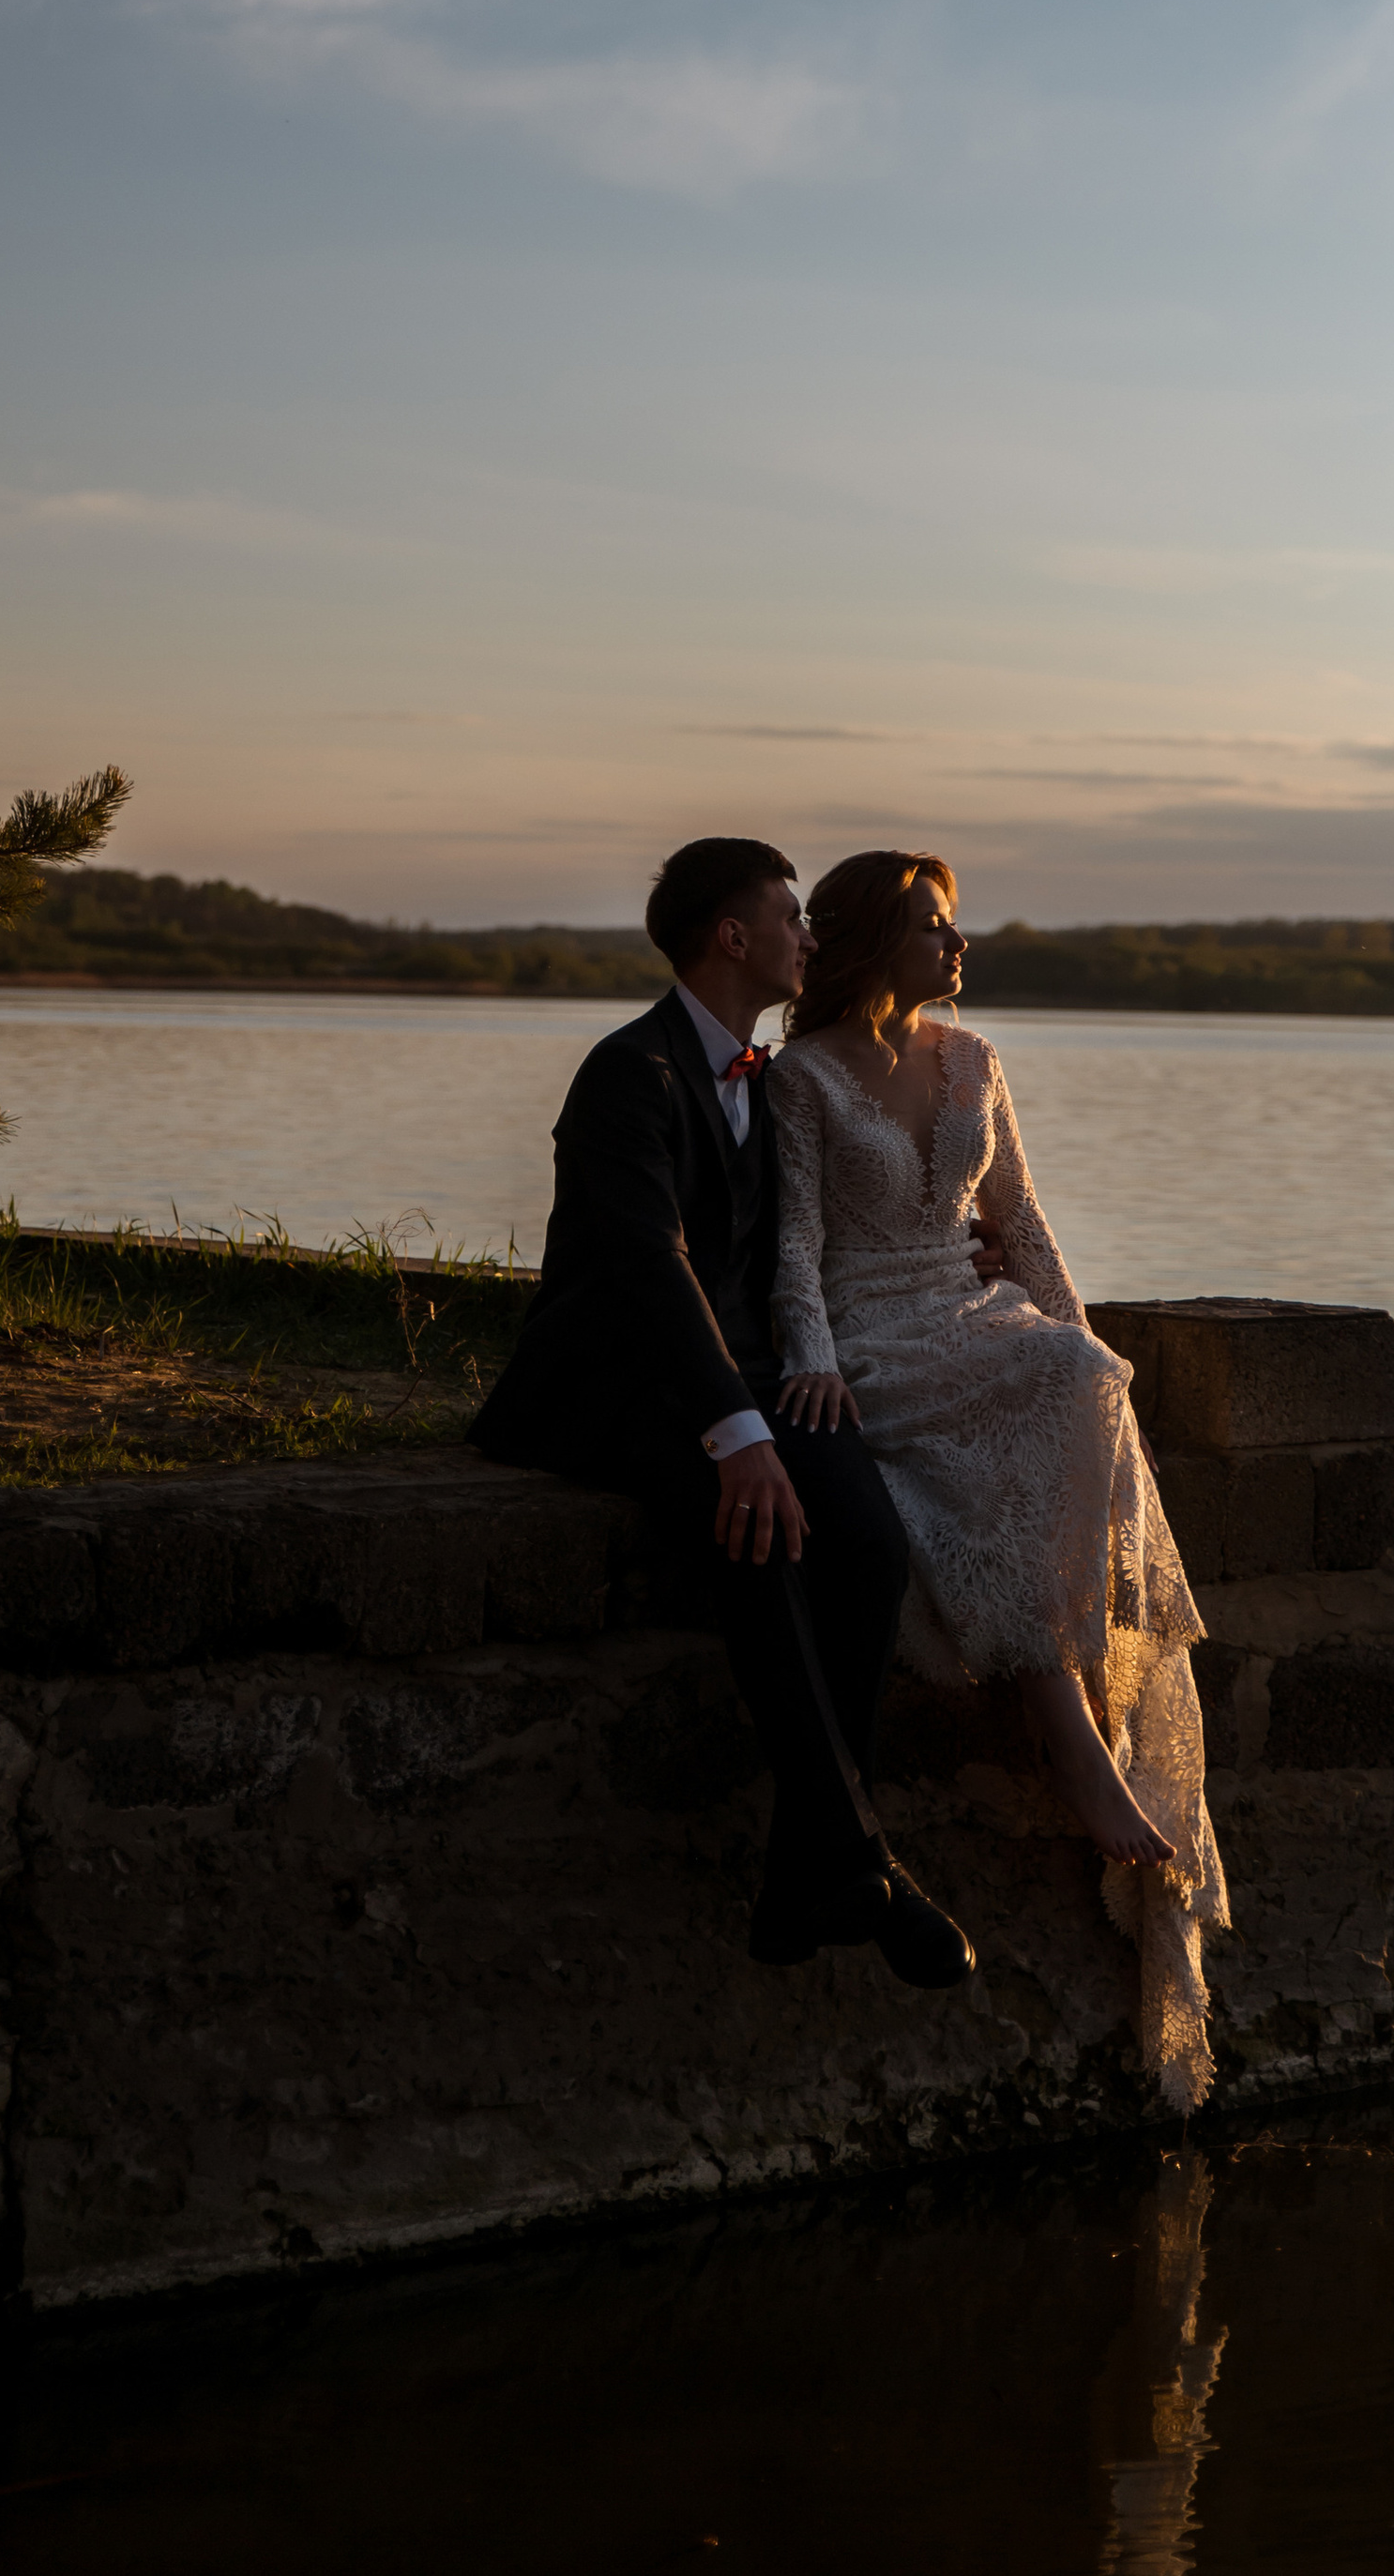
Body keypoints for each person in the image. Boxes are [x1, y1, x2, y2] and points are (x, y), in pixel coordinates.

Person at [465, 835, 976, 1989]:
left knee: (867, 1535)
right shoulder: (626, 1074)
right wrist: (737, 1436)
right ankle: (861, 1859)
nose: (810, 935)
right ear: (732, 937)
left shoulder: (766, 1077)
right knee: (757, 1531)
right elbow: (650, 1269)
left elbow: (808, 1239)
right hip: (613, 1385)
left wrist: (957, 1246)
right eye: (792, 916)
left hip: (744, 1374)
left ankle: (802, 1875)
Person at [767, 850, 1228, 2110]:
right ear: (872, 942)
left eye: (955, 925)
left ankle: (1061, 1711)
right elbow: (796, 1239)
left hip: (971, 1315)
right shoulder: (802, 1077)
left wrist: (1090, 1355)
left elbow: (1021, 1224)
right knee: (1034, 1406)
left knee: (1075, 1379)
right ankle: (1074, 1742)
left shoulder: (975, 1059)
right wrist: (811, 1360)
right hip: (870, 1333)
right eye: (934, 926)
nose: (958, 946)